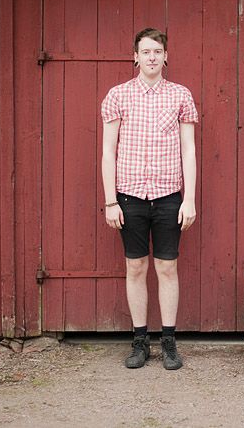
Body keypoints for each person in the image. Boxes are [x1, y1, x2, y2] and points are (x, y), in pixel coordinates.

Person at [101, 28, 198, 370]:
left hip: (168, 195)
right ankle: (140, 341)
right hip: (130, 197)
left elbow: (189, 150)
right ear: (136, 56)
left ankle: (168, 342)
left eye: (157, 51)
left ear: (166, 56)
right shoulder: (118, 95)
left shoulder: (180, 95)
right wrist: (110, 201)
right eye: (146, 51)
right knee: (136, 266)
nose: (152, 57)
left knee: (167, 267)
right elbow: (108, 152)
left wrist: (189, 199)